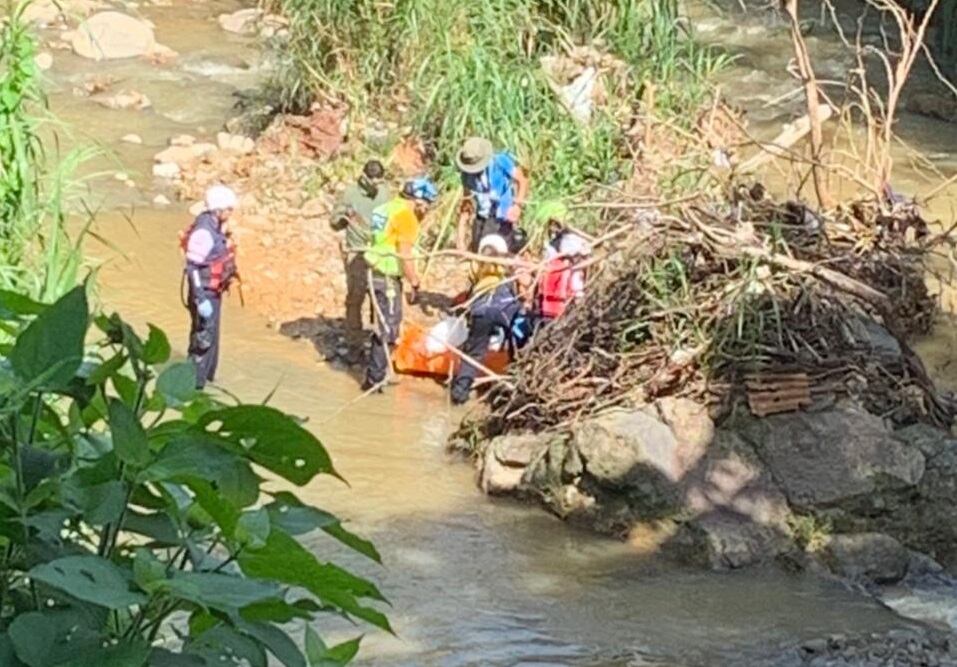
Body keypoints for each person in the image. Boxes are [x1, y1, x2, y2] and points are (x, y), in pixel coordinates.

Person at [362, 177, 438, 390]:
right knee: (389, 327)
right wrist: (414, 281)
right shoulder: (406, 218)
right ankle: (375, 380)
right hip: (387, 277)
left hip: (373, 272)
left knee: (382, 322)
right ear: (420, 201)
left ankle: (377, 369)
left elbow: (383, 237)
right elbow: (404, 253)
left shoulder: (384, 208)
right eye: (427, 205)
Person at [450, 234, 529, 405]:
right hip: (505, 309)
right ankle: (515, 383)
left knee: (474, 352)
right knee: (518, 346)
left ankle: (460, 392)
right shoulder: (509, 263)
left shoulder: (476, 264)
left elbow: (469, 290)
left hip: (481, 310)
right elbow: (525, 283)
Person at [182, 185, 239, 389]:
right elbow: (192, 267)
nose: (231, 214)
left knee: (211, 338)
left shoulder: (215, 226)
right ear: (219, 210)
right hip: (204, 294)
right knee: (203, 339)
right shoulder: (204, 232)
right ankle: (193, 386)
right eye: (229, 210)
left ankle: (208, 380)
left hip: (213, 292)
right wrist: (200, 298)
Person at [331, 160, 392, 337]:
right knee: (355, 299)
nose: (376, 185)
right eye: (373, 181)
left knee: (378, 298)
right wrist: (345, 216)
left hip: (379, 253)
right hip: (357, 253)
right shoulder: (350, 194)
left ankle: (377, 340)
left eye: (379, 181)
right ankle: (354, 343)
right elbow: (334, 222)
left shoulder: (385, 194)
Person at [455, 136, 529, 252]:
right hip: (481, 216)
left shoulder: (499, 161)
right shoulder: (467, 175)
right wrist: (460, 235)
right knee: (477, 250)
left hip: (500, 217)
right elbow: (466, 203)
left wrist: (517, 206)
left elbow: (522, 180)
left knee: (491, 251)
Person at [537, 232, 590, 324]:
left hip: (548, 309)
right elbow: (576, 290)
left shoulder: (552, 264)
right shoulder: (570, 269)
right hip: (560, 311)